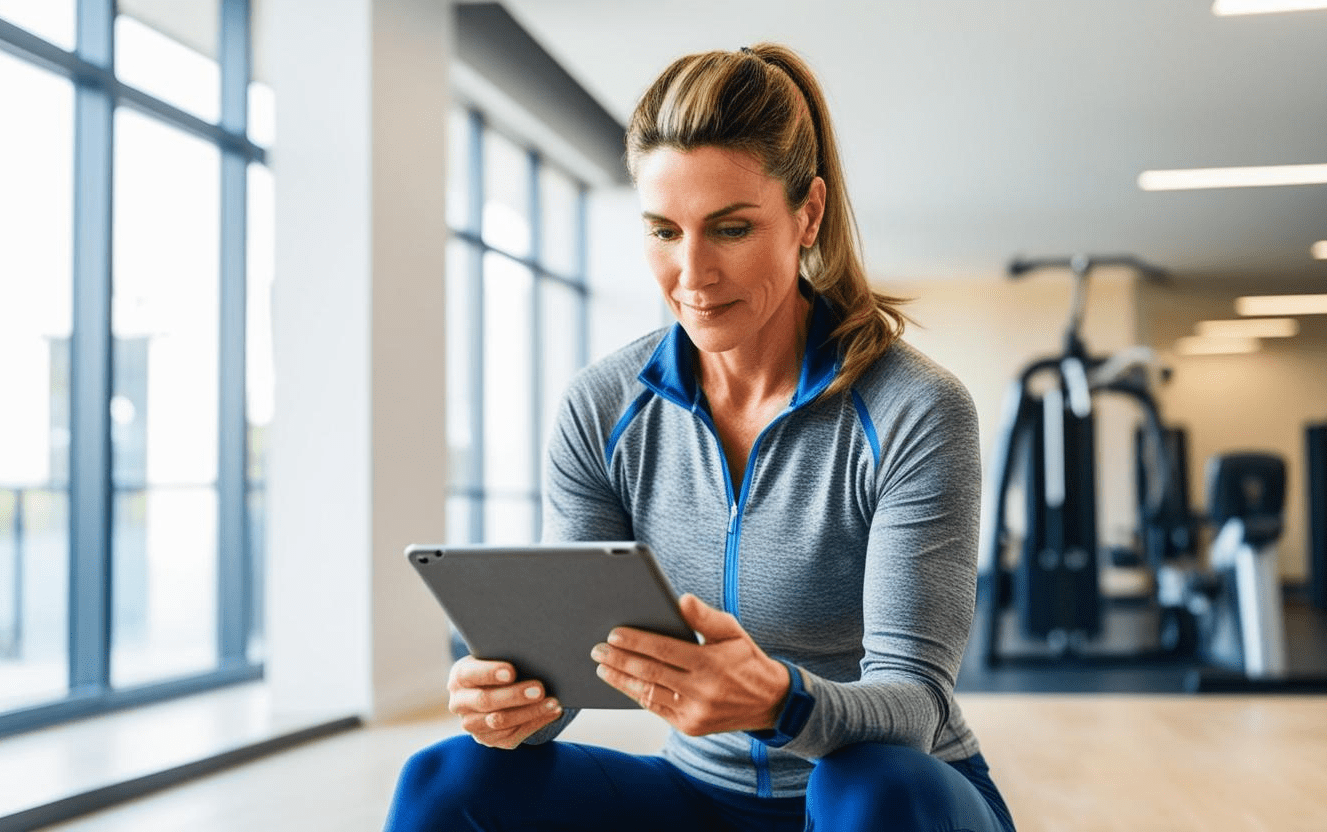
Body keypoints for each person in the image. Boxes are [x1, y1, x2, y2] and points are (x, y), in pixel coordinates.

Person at [385, 43, 1015, 832]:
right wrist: (514, 705)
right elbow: (572, 668)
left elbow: (917, 701)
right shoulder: (602, 408)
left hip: (893, 801)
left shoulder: (913, 410)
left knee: (871, 786)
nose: (692, 273)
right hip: (699, 797)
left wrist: (783, 702)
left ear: (807, 214)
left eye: (731, 228)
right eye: (662, 230)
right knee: (450, 778)